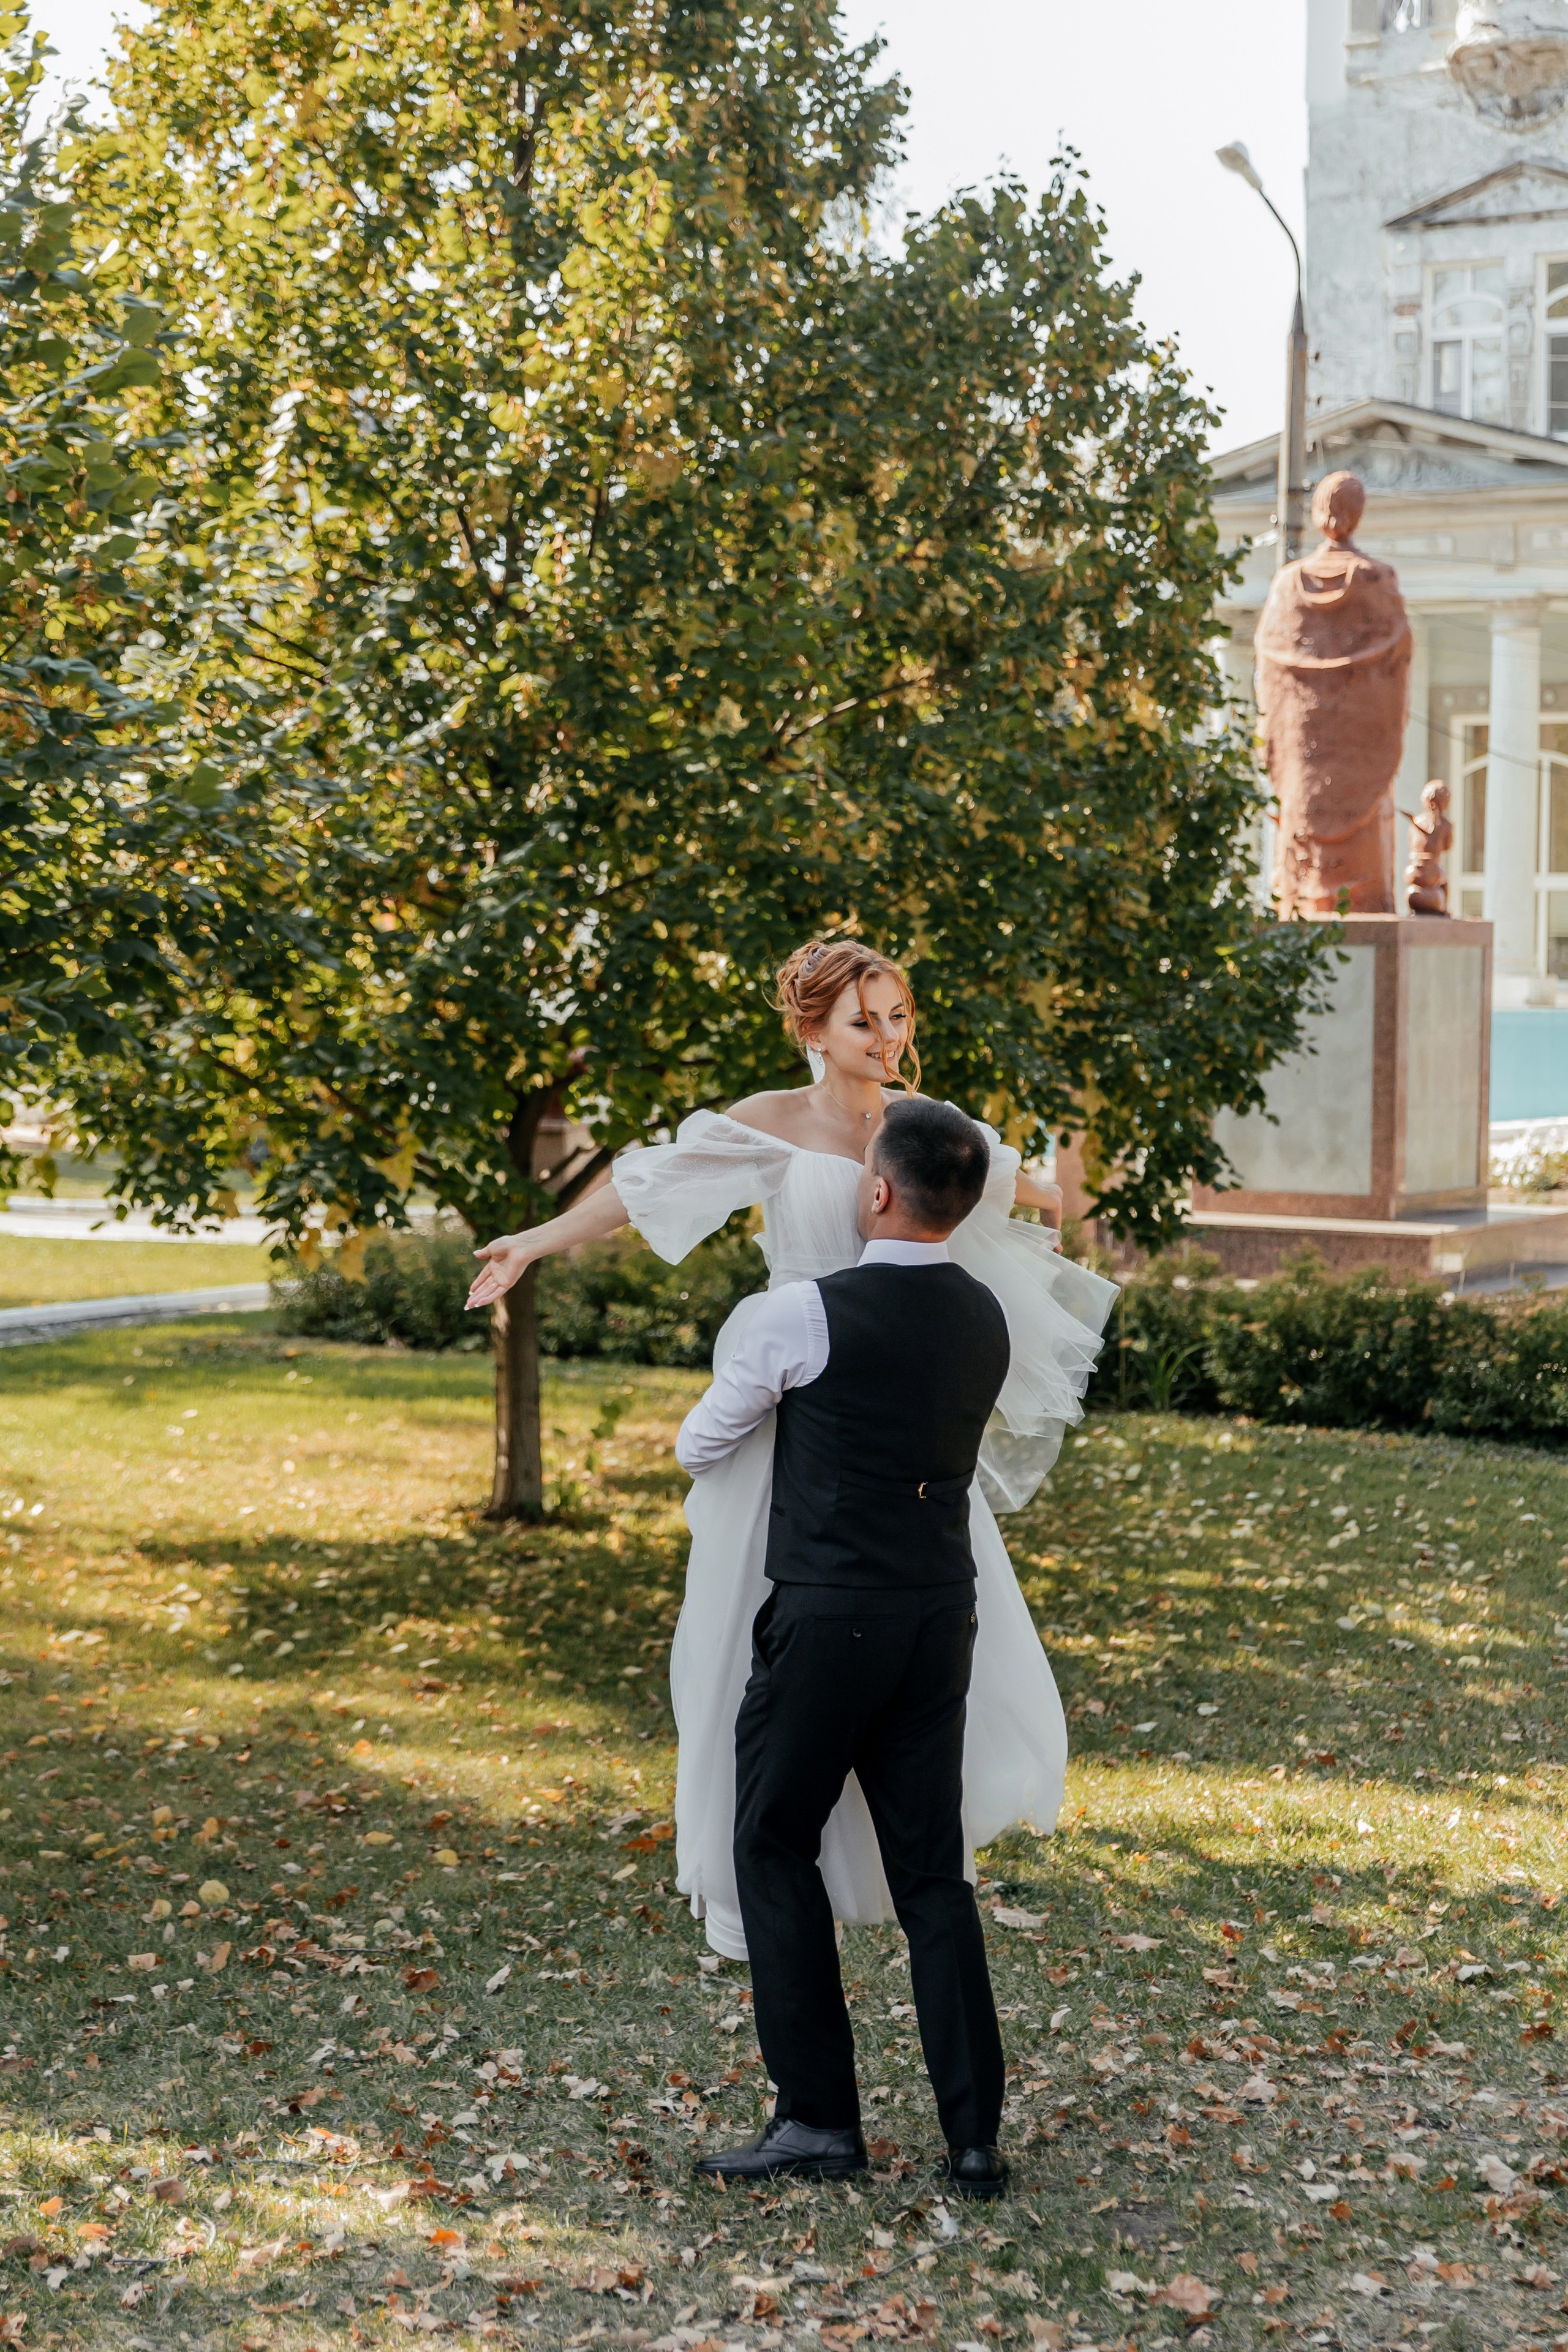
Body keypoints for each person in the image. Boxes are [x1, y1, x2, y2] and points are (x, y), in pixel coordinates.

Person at [467, 938, 1117, 1962]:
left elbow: (1024, 1194)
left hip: (891, 1422)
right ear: (813, 1029)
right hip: (785, 1406)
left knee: (928, 1636)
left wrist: (1050, 1194)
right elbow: (646, 1189)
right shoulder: (768, 1124)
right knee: (745, 1632)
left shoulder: (922, 1131)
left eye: (900, 1016)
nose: (890, 1038)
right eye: (867, 1020)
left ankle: (903, 1857)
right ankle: (749, 1879)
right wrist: (532, 1242)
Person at [682, 1098, 1015, 2193]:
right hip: (939, 1615)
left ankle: (820, 2122)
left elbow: (703, 1442)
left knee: (771, 1842)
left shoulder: (795, 1315)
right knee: (935, 1877)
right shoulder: (986, 1317)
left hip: (829, 1617)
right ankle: (973, 2139)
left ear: (877, 1191)